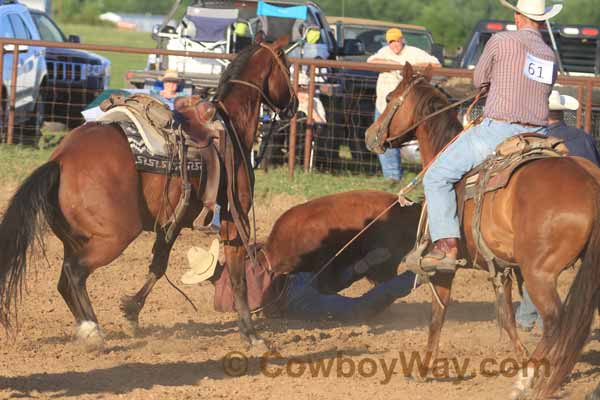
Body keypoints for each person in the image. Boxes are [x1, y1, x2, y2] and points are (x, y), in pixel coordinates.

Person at [420, 0, 562, 267]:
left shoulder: (500, 40)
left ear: (519, 16)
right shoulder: (549, 54)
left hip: (499, 131)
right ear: (541, 21)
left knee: (436, 176)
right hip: (540, 134)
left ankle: (447, 246)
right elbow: (546, 85)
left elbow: (479, 81)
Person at [515, 90, 600, 332]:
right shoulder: (583, 138)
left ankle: (529, 317)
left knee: (539, 264)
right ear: (562, 112)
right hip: (592, 205)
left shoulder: (533, 140)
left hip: (551, 211)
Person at [182, 239, 420, 321]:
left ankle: (416, 277)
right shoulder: (244, 257)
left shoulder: (220, 301)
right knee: (332, 281)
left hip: (293, 302)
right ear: (219, 260)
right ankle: (362, 266)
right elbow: (268, 248)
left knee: (356, 309)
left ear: (203, 279)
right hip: (297, 279)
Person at [368, 28, 441, 181]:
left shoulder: (413, 52)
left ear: (402, 40)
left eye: (397, 40)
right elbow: (371, 61)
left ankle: (428, 172)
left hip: (404, 107)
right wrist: (396, 64)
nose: (395, 44)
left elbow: (435, 63)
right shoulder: (384, 52)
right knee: (383, 136)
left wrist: (410, 65)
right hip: (384, 104)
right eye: (391, 41)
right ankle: (392, 176)